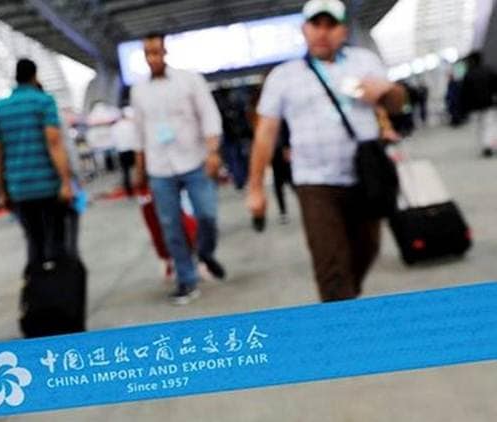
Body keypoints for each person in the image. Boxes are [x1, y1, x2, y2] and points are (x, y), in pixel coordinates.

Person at [247, 0, 405, 302]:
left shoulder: (365, 61)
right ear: (304, 30)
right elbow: (265, 133)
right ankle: (342, 326)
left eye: (330, 25)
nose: (322, 32)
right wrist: (255, 188)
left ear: (343, 30)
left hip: (365, 177)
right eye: (315, 25)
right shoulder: (284, 76)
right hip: (315, 182)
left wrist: (386, 91)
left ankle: (346, 300)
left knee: (368, 249)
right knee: (330, 262)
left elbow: (398, 103)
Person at [131, 32, 226, 305]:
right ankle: (186, 279)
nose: (153, 58)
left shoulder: (189, 80)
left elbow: (208, 114)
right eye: (147, 53)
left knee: (207, 214)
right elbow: (139, 131)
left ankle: (205, 253)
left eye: (156, 52)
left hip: (194, 160)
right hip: (159, 167)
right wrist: (140, 168)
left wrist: (212, 152)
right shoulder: (139, 91)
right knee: (170, 226)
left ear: (165, 52)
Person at [0, 58, 73, 271]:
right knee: (56, 243)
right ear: (35, 76)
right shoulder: (43, 102)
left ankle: (38, 297)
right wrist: (65, 182)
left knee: (33, 241)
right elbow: (54, 143)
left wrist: (1, 191)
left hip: (19, 188)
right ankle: (61, 295)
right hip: (48, 186)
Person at [460, 52, 497, 157]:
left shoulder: (468, 74)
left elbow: (464, 94)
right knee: (489, 126)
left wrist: (463, 109)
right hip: (489, 104)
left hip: (474, 107)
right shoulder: (489, 71)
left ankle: (484, 146)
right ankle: (488, 145)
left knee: (478, 127)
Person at [110, 107, 139, 197]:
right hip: (133, 149)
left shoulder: (114, 127)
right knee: (139, 169)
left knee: (126, 172)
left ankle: (129, 191)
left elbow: (113, 141)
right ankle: (142, 187)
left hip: (122, 151)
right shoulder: (132, 125)